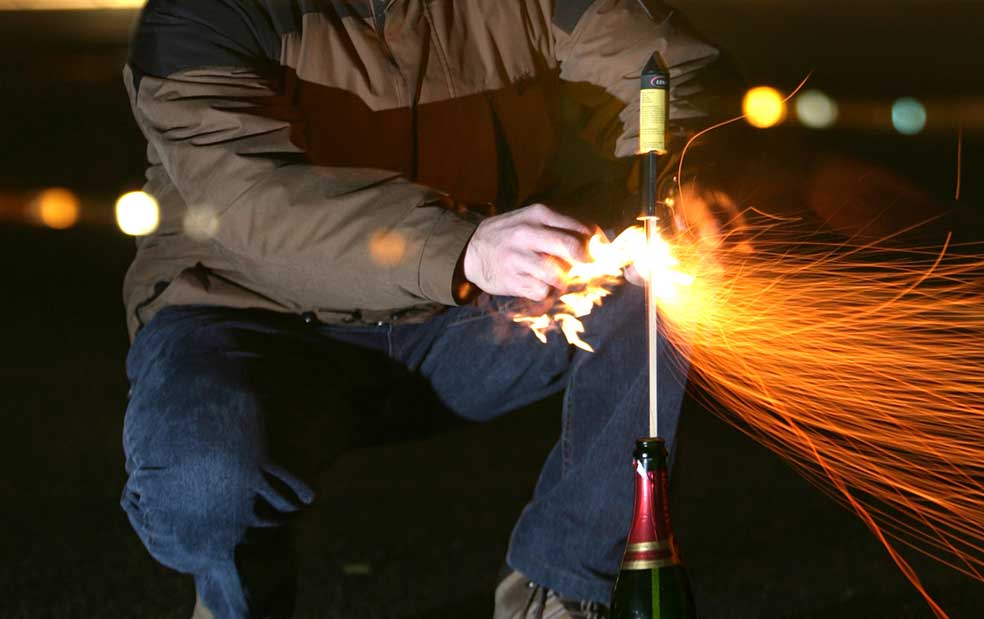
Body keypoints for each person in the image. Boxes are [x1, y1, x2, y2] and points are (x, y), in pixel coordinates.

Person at [118, 1, 718, 617]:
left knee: (667, 284)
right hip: (254, 318)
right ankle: (238, 591)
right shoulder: (201, 12)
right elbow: (249, 199)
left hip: (463, 312)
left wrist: (667, 189)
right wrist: (461, 247)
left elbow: (660, 62)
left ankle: (564, 584)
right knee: (200, 481)